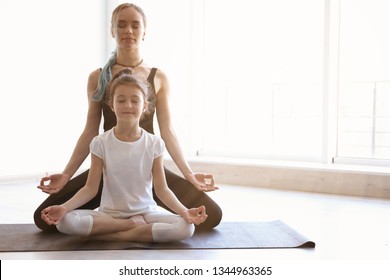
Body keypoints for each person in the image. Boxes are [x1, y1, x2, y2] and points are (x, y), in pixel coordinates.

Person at [34, 2, 222, 232]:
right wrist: (66, 174)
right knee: (44, 219)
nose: (128, 31)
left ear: (145, 31)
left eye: (135, 25)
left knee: (211, 216)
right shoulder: (97, 77)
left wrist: (189, 174)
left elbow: (168, 130)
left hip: (148, 170)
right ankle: (129, 225)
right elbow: (90, 130)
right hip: (108, 169)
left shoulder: (158, 77)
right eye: (121, 25)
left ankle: (114, 228)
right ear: (112, 31)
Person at [41, 70, 207, 242]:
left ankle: (111, 236)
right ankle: (128, 227)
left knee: (186, 227)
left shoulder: (154, 143)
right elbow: (90, 189)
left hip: (146, 214)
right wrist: (64, 208)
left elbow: (162, 189)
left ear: (145, 106)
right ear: (111, 105)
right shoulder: (100, 142)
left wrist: (184, 211)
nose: (128, 105)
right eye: (121, 100)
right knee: (65, 221)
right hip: (109, 216)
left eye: (135, 100)